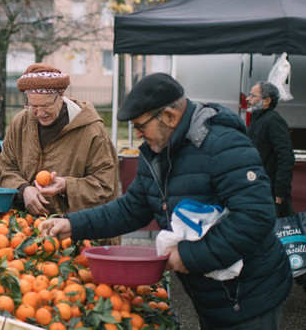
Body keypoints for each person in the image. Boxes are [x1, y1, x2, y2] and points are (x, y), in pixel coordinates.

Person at [40, 73, 292, 330]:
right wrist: (72, 224)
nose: (137, 134)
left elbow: (256, 217)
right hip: (212, 294)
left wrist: (190, 256)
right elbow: (131, 208)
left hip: (250, 294)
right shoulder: (156, 154)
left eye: (141, 126)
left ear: (170, 116)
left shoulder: (224, 145)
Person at [0, 63, 119, 216]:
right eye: (33, 105)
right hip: (26, 226)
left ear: (61, 96)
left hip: (76, 228)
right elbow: (4, 168)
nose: (40, 113)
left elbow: (105, 184)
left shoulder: (91, 130)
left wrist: (67, 185)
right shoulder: (19, 123)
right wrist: (23, 189)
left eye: (46, 105)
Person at [247, 80, 306, 305]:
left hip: (272, 194)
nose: (249, 100)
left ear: (267, 100)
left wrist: (280, 191)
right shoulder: (257, 121)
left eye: (253, 96)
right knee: (277, 241)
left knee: (281, 242)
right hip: (258, 191)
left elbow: (286, 157)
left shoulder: (273, 121)